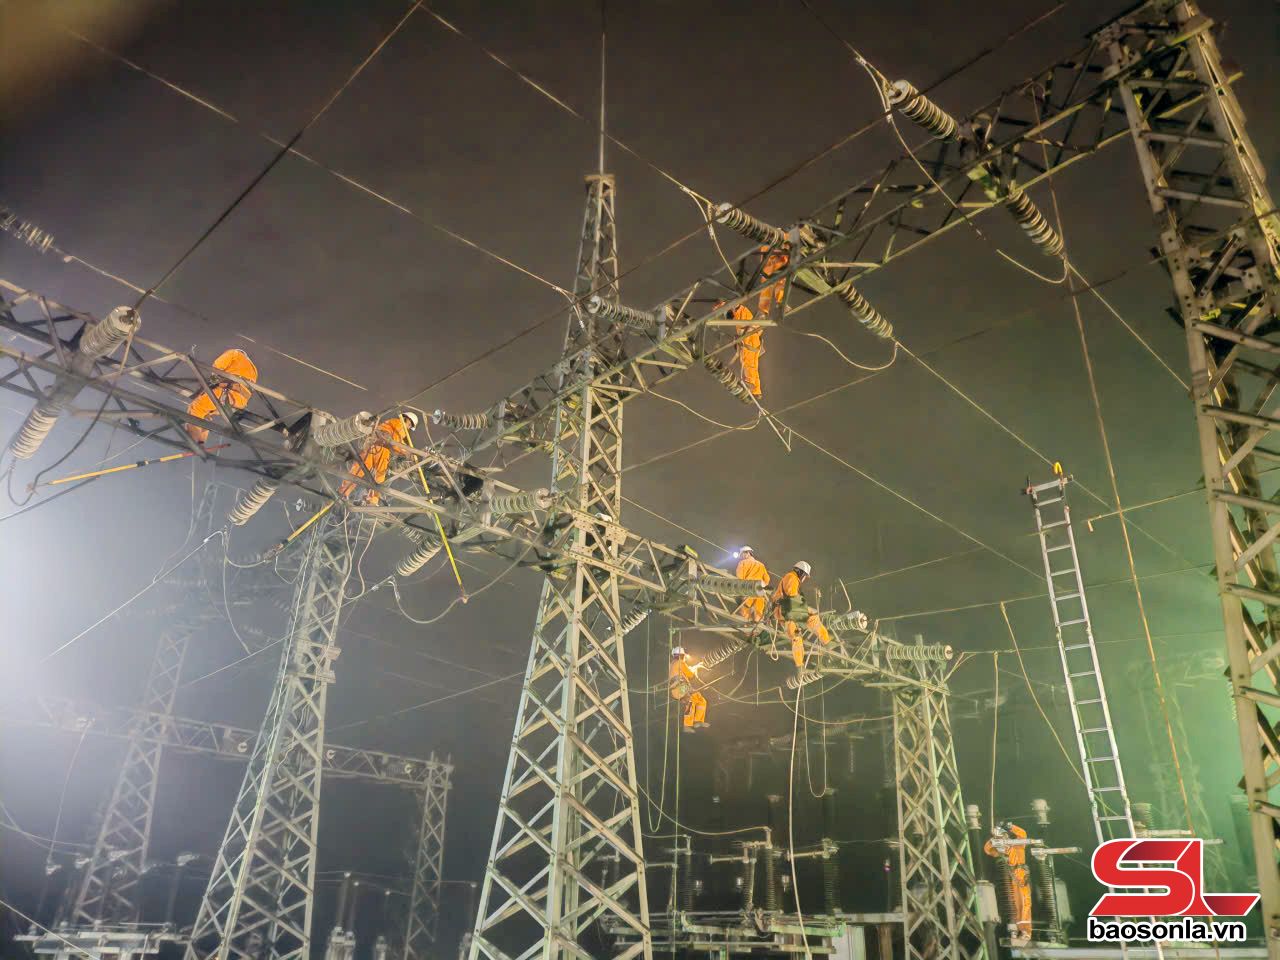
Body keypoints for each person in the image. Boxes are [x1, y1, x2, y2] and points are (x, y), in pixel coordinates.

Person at [339, 411, 420, 505]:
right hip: (382, 449)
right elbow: (395, 443)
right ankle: (372, 499)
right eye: (409, 425)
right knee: (379, 477)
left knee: (359, 469)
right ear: (406, 419)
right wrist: (407, 452)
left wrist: (408, 450)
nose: (408, 428)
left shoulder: (392, 423)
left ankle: (344, 491)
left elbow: (398, 441)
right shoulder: (399, 424)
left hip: (373, 446)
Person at [185, 348, 258, 444]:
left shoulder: (234, 353)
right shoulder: (252, 369)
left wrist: (212, 380)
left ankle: (193, 443)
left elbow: (216, 369)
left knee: (196, 409)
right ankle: (201, 442)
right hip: (237, 400)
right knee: (205, 414)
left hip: (229, 393)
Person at [770, 560, 831, 668]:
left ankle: (799, 664)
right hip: (788, 610)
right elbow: (793, 598)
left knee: (796, 636)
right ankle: (827, 642)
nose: (804, 578)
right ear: (800, 572)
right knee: (813, 618)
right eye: (805, 576)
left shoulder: (790, 578)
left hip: (785, 613)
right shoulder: (792, 578)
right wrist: (806, 609)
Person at [984, 821, 1032, 946]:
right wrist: (993, 839)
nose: (1002, 839)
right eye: (1000, 837)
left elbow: (1023, 834)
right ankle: (1013, 931)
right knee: (1012, 905)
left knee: (1024, 904)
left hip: (1020, 876)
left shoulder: (1017, 845)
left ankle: (1025, 932)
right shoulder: (999, 850)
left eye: (1003, 836)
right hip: (1008, 879)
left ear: (1007, 835)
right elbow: (987, 849)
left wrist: (1010, 826)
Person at [669, 646, 708, 731]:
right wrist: (694, 669)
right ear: (682, 655)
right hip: (681, 688)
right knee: (691, 702)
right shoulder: (680, 662)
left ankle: (697, 721)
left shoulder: (672, 664)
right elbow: (691, 675)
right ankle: (688, 725)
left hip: (676, 690)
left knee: (700, 700)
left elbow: (680, 674)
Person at [735, 545, 770, 622]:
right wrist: (761, 586)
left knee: (745, 615)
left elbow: (740, 578)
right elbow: (767, 579)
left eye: (742, 555)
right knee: (758, 615)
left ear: (747, 553)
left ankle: (746, 628)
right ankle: (757, 627)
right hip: (759, 593)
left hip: (748, 591)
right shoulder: (761, 565)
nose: (742, 557)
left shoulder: (743, 563)